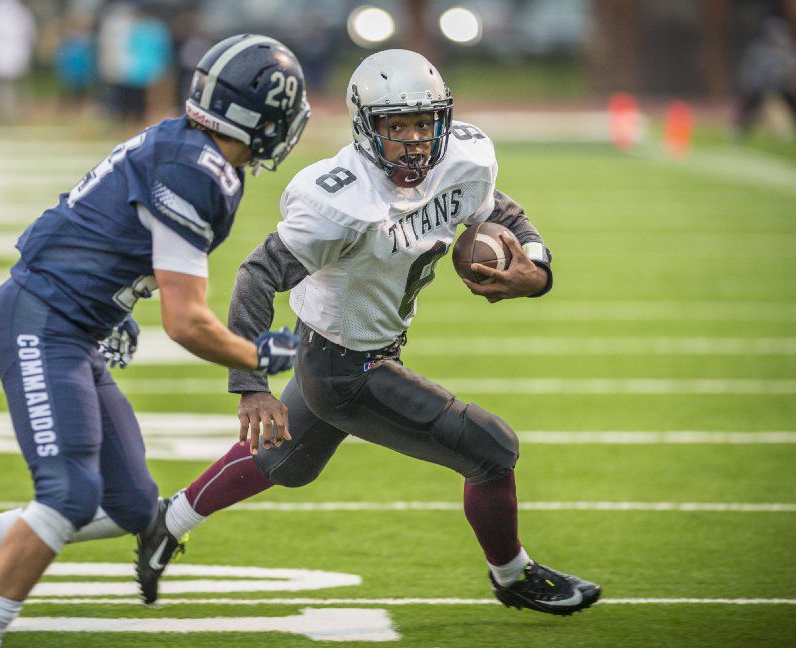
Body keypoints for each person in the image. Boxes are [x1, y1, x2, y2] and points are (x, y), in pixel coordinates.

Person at [135, 49, 603, 616]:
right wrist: (250, 385)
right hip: (343, 367)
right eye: (395, 126)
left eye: (423, 124)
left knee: (286, 464)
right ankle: (513, 575)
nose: (413, 141)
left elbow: (499, 209)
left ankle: (168, 520)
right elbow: (256, 275)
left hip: (349, 348)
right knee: (491, 449)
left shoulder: (463, 159)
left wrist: (535, 264)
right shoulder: (340, 199)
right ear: (366, 126)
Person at [0, 34, 311, 647]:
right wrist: (257, 356)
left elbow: (92, 220)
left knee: (131, 503)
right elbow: (187, 323)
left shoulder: (188, 147)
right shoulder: (196, 170)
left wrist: (116, 302)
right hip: (42, 321)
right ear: (264, 117)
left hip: (72, 323)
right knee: (68, 494)